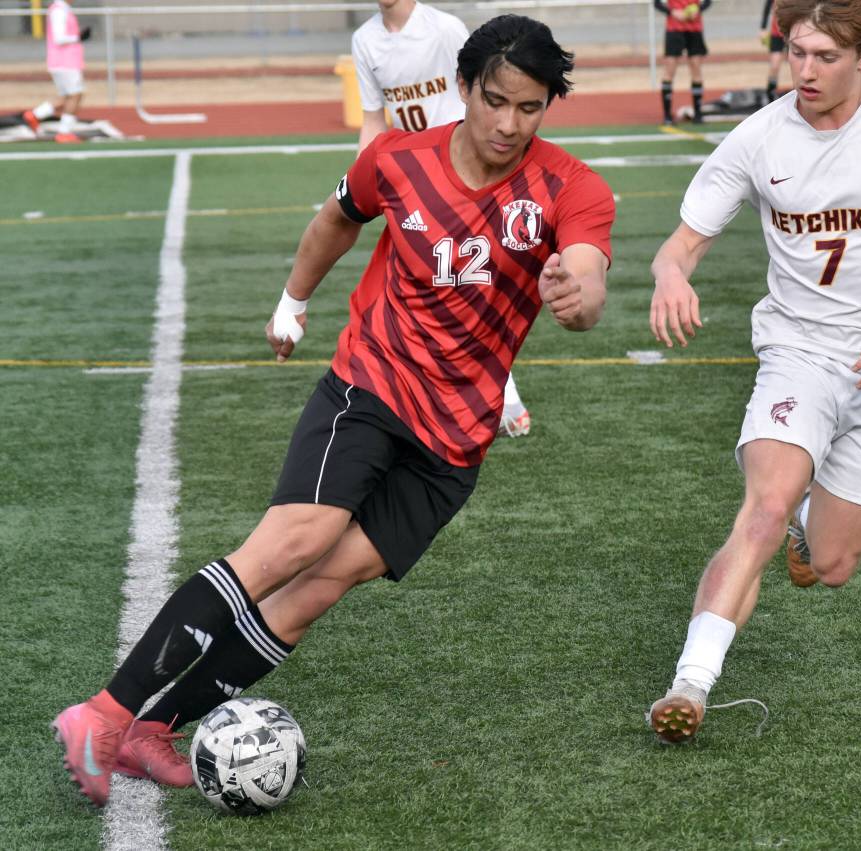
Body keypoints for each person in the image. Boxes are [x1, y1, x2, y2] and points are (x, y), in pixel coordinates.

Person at [52, 13, 615, 807]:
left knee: (318, 589)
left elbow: (587, 280)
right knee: (297, 538)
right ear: (463, 87)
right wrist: (292, 300)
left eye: (529, 108)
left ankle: (157, 727)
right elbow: (334, 223)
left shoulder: (570, 185)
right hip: (371, 385)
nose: (508, 123)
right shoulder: (398, 159)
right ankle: (103, 714)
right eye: (495, 100)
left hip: (454, 441)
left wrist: (575, 297)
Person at [645, 0, 861, 743]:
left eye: (825, 57)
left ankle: (811, 530)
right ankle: (690, 684)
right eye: (797, 51)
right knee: (764, 509)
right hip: (797, 354)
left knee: (831, 565)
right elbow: (680, 245)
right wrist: (671, 275)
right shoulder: (758, 137)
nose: (805, 70)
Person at [352, 0, 532, 438]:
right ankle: (405, 394)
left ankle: (503, 396)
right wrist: (362, 174)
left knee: (471, 292)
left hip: (459, 174)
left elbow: (484, 94)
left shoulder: (445, 29)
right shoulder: (365, 41)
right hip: (408, 181)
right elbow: (374, 118)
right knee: (415, 294)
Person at [22, 0, 91, 143]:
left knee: (67, 97)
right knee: (75, 96)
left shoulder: (62, 9)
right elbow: (59, 38)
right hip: (65, 61)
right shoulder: (59, 10)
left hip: (64, 61)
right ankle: (64, 132)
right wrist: (78, 37)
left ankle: (35, 115)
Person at [653, 0, 712, 124]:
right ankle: (667, 116)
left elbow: (708, 2)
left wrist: (698, 10)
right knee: (670, 69)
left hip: (695, 29)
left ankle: (698, 114)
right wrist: (673, 12)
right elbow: (657, 3)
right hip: (674, 29)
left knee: (696, 68)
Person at [760, 0, 786, 103]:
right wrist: (762, 28)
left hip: (793, 31)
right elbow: (767, 7)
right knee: (775, 65)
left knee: (799, 65)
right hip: (776, 33)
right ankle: (770, 95)